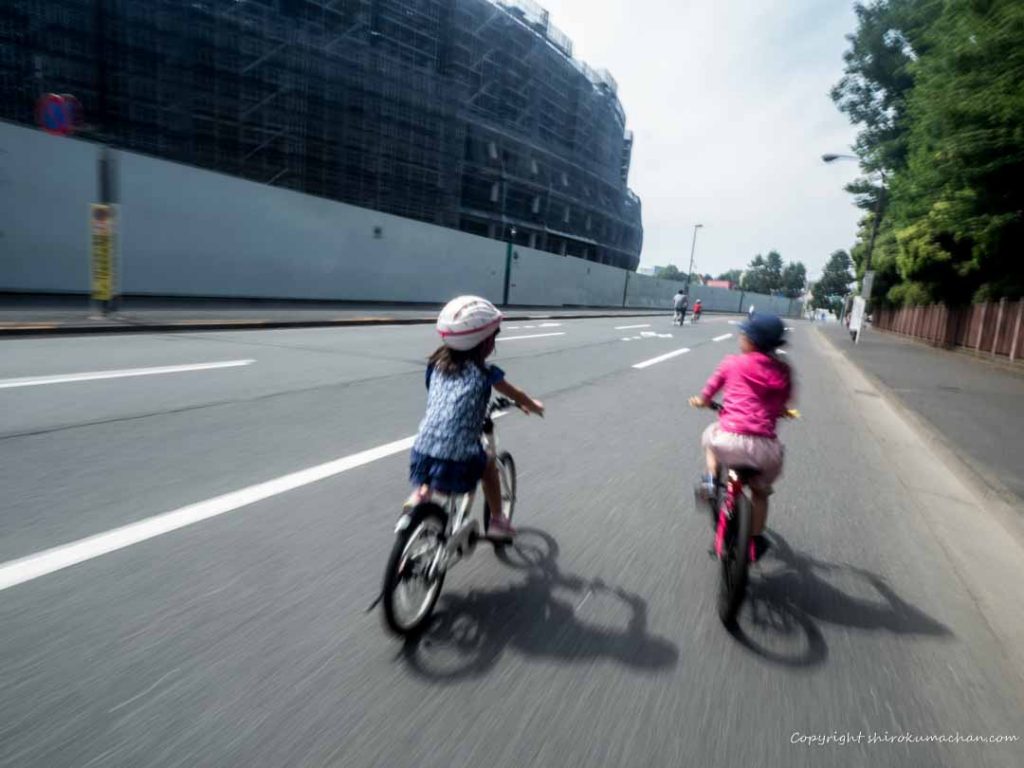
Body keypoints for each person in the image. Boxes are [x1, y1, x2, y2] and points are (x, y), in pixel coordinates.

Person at [410, 296, 544, 540]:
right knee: (488, 464)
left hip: (421, 448)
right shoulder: (486, 374)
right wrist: (532, 405)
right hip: (459, 456)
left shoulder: (436, 364)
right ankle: (497, 521)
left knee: (435, 453)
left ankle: (421, 494)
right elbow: (517, 394)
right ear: (484, 342)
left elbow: (436, 396)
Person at [688, 313, 793, 561]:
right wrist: (782, 412)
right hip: (765, 450)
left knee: (710, 439)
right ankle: (755, 540)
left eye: (743, 334)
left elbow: (709, 391)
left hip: (729, 439)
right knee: (760, 493)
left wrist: (702, 401)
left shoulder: (732, 363)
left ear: (751, 341)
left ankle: (710, 484)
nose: (740, 337)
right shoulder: (783, 371)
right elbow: (781, 404)